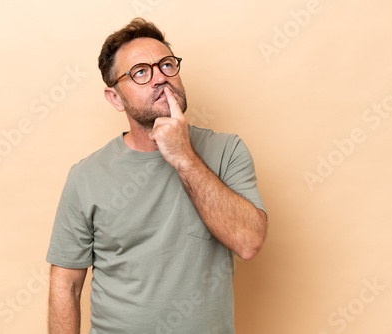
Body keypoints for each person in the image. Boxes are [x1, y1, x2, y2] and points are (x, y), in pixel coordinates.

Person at [46, 17, 268, 334]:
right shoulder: (86, 176)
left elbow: (248, 243)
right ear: (114, 98)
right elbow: (65, 284)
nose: (160, 79)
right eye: (140, 72)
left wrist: (183, 156)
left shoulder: (226, 151)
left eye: (166, 65)